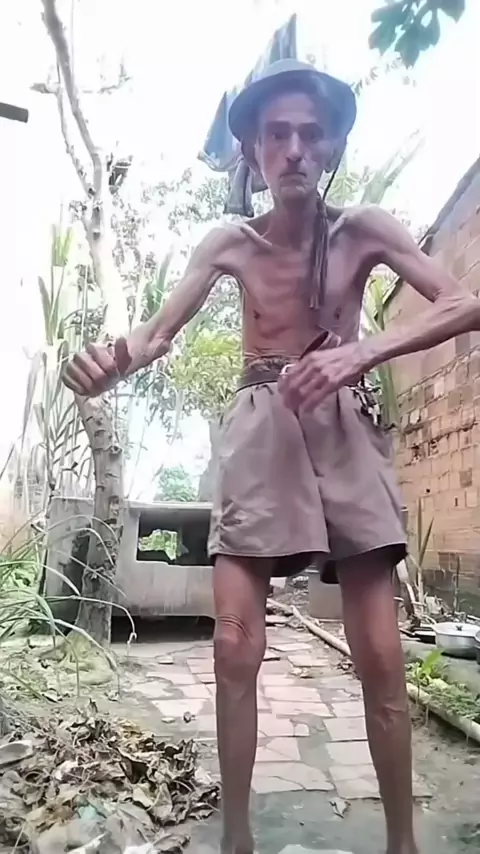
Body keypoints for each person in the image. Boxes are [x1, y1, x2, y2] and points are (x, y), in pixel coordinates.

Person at [63, 59, 479, 854]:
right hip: (262, 425)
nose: (294, 148)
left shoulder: (364, 229)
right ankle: (238, 840)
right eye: (277, 134)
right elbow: (155, 335)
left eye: (310, 134)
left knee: (383, 656)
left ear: (331, 147)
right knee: (233, 644)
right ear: (253, 151)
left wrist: (363, 351)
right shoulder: (231, 242)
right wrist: (108, 360)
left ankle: (404, 842)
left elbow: (465, 302)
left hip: (346, 426)